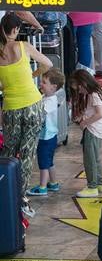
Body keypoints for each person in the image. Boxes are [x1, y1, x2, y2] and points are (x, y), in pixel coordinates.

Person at [0, 13, 51, 216]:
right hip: (32, 104)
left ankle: (4, 187)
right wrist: (32, 75)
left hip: (11, 107)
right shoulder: (23, 47)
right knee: (27, 152)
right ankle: (20, 196)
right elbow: (48, 63)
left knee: (9, 151)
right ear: (15, 30)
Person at [68, 69, 102, 197]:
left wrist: (85, 123)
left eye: (79, 89)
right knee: (96, 158)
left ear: (83, 83)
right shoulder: (97, 91)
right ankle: (100, 183)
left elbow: (100, 113)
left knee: (89, 159)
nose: (79, 92)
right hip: (96, 130)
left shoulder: (94, 94)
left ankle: (92, 186)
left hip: (92, 130)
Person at [26, 68, 65, 197]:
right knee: (49, 162)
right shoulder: (46, 97)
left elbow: (39, 113)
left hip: (46, 138)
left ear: (53, 87)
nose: (40, 84)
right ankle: (53, 183)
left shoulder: (50, 101)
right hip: (50, 136)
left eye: (44, 82)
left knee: (43, 163)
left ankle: (42, 187)